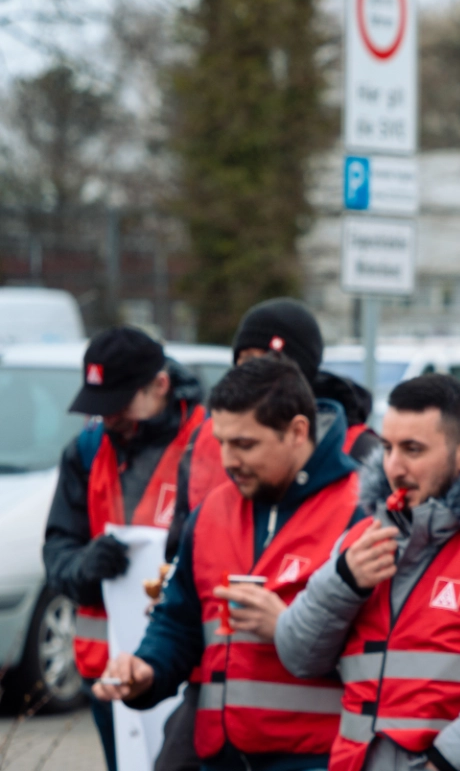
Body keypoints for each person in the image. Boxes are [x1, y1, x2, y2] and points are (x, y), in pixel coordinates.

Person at [275, 374, 460, 771]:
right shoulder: (363, 539)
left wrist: (446, 761)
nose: (394, 467)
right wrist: (342, 582)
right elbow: (297, 656)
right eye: (387, 447)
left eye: (412, 449)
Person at [94, 357, 364, 771]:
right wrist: (146, 668)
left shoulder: (357, 514)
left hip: (318, 760)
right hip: (220, 758)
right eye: (221, 441)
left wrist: (290, 626)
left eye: (245, 444)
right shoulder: (212, 512)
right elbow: (179, 620)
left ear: (297, 432)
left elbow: (383, 659)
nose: (228, 460)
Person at [41, 325, 205, 771]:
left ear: (160, 386)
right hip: (109, 669)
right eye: (99, 405)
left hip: (183, 668)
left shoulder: (207, 442)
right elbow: (58, 548)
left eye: (119, 404)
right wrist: (85, 566)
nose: (107, 417)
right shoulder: (87, 450)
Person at [170, 298, 381, 557]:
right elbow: (179, 544)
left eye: (272, 361)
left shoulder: (358, 447)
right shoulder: (204, 438)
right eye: (247, 360)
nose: (231, 459)